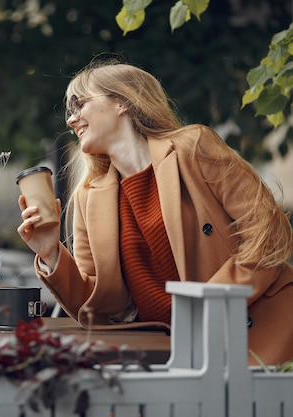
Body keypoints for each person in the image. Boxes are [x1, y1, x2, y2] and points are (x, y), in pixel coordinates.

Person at [17, 59, 293, 366]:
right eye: (70, 110)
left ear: (122, 101)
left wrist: (205, 303)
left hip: (259, 332)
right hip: (167, 351)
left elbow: (269, 233)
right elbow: (96, 302)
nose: (71, 119)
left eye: (79, 104)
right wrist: (51, 253)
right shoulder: (88, 196)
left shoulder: (192, 146)